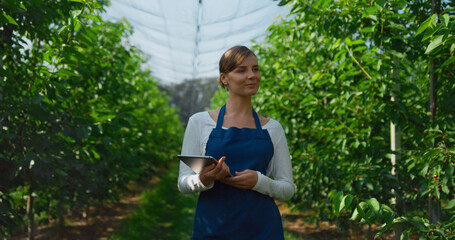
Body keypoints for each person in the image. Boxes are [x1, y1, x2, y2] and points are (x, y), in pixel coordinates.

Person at [178, 45, 295, 240]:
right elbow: (183, 183)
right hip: (213, 228)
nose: (252, 75)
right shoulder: (199, 123)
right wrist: (205, 178)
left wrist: (260, 181)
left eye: (255, 69)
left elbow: (288, 189)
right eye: (242, 70)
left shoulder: (273, 129)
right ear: (225, 78)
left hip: (262, 229)